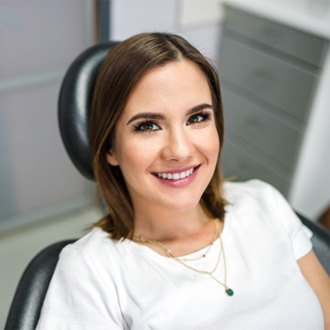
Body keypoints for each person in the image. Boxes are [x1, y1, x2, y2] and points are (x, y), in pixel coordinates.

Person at [36, 32, 329, 329]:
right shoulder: (89, 271)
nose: (180, 150)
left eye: (197, 118)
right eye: (148, 125)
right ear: (110, 147)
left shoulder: (264, 203)